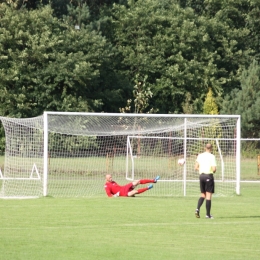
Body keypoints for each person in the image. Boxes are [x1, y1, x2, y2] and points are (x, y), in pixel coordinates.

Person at [194, 143, 216, 219]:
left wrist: (201, 168)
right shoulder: (212, 156)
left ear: (205, 148)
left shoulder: (200, 156)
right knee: (208, 196)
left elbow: (196, 167)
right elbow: (214, 169)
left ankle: (197, 209)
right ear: (211, 148)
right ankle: (208, 215)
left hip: (201, 176)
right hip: (208, 176)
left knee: (203, 195)